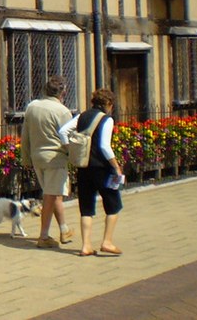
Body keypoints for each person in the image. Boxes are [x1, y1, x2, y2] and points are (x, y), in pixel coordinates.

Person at [59, 87, 124, 257]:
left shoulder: (82, 116)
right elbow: (104, 146)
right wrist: (116, 165)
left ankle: (86, 246)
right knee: (113, 205)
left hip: (84, 167)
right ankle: (107, 242)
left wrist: (69, 148)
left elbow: (63, 131)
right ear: (108, 104)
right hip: (102, 168)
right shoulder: (107, 120)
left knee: (86, 208)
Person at [19, 75, 73, 248]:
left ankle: (64, 229)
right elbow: (68, 137)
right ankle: (43, 236)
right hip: (55, 157)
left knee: (53, 192)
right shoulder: (62, 111)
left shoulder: (33, 107)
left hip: (37, 156)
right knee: (50, 195)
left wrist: (25, 157)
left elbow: (25, 135)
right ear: (63, 92)